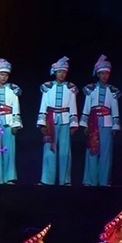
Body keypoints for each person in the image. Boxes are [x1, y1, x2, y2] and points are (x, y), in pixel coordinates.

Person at [79, 55, 120, 186]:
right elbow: (87, 106)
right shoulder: (91, 89)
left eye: (106, 73)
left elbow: (115, 109)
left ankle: (104, 181)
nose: (104, 76)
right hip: (93, 122)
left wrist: (115, 126)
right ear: (98, 74)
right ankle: (91, 181)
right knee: (92, 150)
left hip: (107, 123)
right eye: (102, 73)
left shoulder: (112, 90)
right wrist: (85, 123)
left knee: (106, 153)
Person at [40, 57, 80, 185]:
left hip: (65, 119)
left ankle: (65, 180)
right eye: (59, 72)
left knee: (65, 151)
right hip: (50, 119)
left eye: (63, 72)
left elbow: (73, 106)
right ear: (55, 72)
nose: (61, 74)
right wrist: (42, 122)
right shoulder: (47, 87)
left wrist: (74, 124)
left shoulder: (71, 88)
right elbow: (43, 105)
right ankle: (47, 180)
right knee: (49, 149)